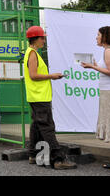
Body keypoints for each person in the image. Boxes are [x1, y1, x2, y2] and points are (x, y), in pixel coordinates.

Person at [23, 26, 77, 170]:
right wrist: (51, 76)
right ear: (36, 38)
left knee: (37, 125)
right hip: (39, 96)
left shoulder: (31, 52)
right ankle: (58, 159)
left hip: (36, 96)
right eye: (42, 38)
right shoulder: (33, 54)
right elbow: (33, 75)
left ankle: (33, 154)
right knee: (47, 127)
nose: (44, 40)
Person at [81, 26, 110, 172]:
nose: (96, 37)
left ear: (105, 36)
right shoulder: (107, 51)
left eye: (98, 35)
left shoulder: (108, 51)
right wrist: (94, 65)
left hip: (109, 93)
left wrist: (92, 67)